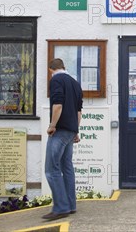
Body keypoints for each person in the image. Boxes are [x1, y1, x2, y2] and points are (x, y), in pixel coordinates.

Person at [43, 58, 83, 220]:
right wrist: (75, 131)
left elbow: (57, 105)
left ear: (51, 69)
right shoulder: (75, 83)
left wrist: (52, 125)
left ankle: (60, 207)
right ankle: (71, 205)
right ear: (64, 67)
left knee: (51, 169)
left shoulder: (56, 80)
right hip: (71, 130)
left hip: (60, 131)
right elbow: (79, 112)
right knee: (67, 168)